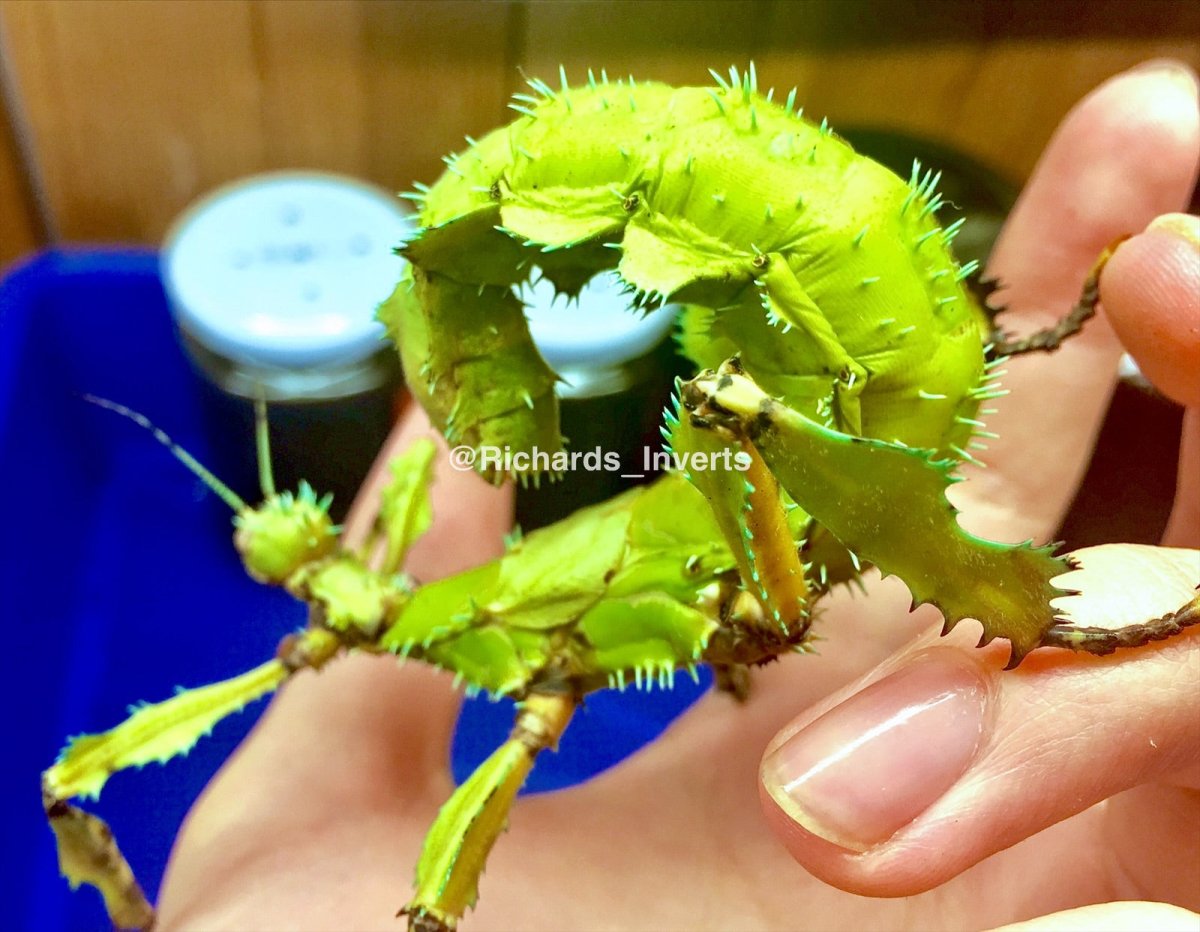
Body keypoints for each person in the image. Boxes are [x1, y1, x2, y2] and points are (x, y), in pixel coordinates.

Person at [155, 61, 1200, 931]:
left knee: (728, 415)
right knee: (728, 411)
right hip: (850, 309)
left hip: (803, 328)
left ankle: (1019, 598)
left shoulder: (471, 562)